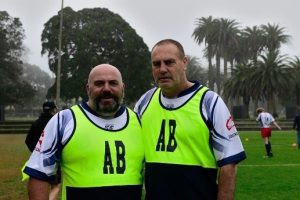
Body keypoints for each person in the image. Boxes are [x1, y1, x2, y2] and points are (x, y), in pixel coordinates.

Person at [134, 39, 246, 200]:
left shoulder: (209, 102)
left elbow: (229, 165)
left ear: (184, 62)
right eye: (156, 64)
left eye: (169, 62)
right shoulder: (145, 102)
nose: (162, 69)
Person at [23, 64, 144, 200]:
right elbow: (38, 173)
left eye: (113, 83)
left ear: (122, 88)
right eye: (99, 83)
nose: (106, 89)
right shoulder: (64, 120)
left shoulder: (139, 122)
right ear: (88, 88)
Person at [25, 101, 60, 200]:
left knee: (39, 185)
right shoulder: (55, 122)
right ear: (53, 110)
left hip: (38, 161)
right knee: (55, 186)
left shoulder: (36, 123)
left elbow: (28, 140)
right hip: (53, 159)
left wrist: (36, 152)